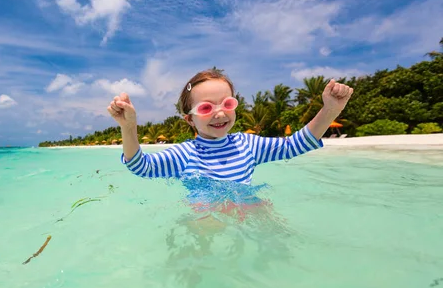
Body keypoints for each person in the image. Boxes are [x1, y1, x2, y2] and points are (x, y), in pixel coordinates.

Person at [106, 68, 353, 221]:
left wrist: (330, 109)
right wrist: (128, 128)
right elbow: (141, 167)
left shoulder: (247, 144)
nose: (220, 113)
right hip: (208, 218)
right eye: (206, 108)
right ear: (190, 119)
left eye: (227, 104)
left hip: (249, 210)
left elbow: (294, 145)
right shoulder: (185, 153)